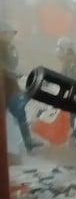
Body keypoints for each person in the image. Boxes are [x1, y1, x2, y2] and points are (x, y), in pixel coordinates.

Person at [1, 21, 42, 152]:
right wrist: (13, 72)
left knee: (20, 111)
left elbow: (13, 64)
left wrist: (17, 71)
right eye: (9, 33)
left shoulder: (11, 48)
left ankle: (28, 141)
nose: (12, 36)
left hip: (11, 85)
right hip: (3, 85)